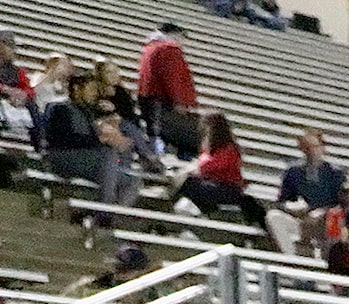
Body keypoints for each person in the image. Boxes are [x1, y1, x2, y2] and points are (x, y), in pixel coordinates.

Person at [172, 114, 272, 240]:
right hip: (214, 185)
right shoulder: (211, 149)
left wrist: (195, 169)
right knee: (189, 182)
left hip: (229, 190)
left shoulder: (229, 149)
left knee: (190, 183)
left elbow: (208, 167)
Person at [38, 81, 129, 210]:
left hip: (88, 160)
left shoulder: (88, 112)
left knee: (131, 180)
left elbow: (94, 139)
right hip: (62, 157)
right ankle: (105, 210)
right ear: (76, 88)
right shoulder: (60, 108)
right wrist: (100, 139)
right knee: (109, 155)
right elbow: (63, 140)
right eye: (91, 89)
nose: (94, 93)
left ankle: (110, 213)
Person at [277, 129, 349, 256]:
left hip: (325, 220)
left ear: (323, 148)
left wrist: (324, 212)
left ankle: (329, 257)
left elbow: (344, 204)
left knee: (334, 219)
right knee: (274, 217)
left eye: (316, 146)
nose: (312, 151)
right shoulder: (293, 172)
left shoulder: (335, 173)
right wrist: (291, 207)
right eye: (308, 147)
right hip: (300, 219)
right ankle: (289, 256)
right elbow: (282, 201)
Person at [135, 23, 199, 157]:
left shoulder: (151, 47)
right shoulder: (169, 48)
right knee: (180, 135)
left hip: (148, 96)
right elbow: (172, 77)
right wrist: (179, 100)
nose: (182, 42)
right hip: (164, 99)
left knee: (155, 132)